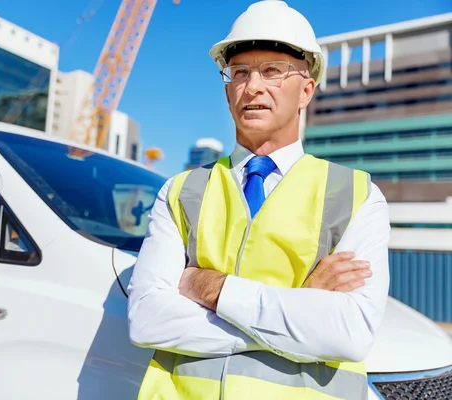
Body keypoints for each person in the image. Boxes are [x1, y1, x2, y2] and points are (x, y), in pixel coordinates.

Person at [126, 0, 391, 399]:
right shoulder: (181, 191)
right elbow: (147, 320)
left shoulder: (356, 196)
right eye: (240, 72)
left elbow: (349, 334)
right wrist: (300, 310)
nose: (252, 87)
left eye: (272, 71)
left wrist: (211, 288)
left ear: (306, 90)